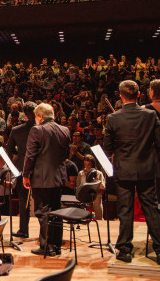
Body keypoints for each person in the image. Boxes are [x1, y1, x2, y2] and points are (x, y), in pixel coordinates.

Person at [104, 80, 160, 264]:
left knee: (125, 210)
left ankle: (125, 250)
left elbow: (108, 148)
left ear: (120, 96)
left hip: (123, 169)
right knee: (151, 209)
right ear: (139, 95)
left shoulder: (113, 118)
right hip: (146, 169)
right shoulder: (150, 115)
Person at [23, 103, 71, 257]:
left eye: (36, 116)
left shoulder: (37, 129)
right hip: (58, 176)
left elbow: (30, 155)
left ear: (40, 116)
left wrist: (25, 175)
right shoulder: (64, 130)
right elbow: (65, 154)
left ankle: (46, 247)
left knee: (42, 211)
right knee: (56, 210)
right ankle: (56, 245)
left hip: (41, 177)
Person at [6, 101, 36, 238]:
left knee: (24, 200)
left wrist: (13, 169)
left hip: (21, 169)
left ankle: (23, 230)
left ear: (24, 115)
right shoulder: (43, 129)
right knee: (42, 201)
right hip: (40, 169)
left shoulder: (16, 130)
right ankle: (45, 234)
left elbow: (9, 152)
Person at [76, 155, 106, 220]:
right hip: (84, 198)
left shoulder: (99, 173)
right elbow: (78, 188)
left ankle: (99, 222)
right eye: (85, 164)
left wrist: (93, 189)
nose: (87, 166)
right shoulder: (81, 173)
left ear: (93, 165)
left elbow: (102, 190)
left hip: (96, 197)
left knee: (98, 216)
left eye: (89, 164)